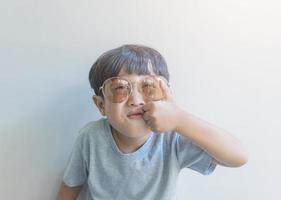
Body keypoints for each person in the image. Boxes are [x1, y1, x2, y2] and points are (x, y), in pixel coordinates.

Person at [57, 44, 248, 200]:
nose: (136, 100)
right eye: (119, 88)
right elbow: (71, 185)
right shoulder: (90, 137)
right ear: (101, 105)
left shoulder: (172, 139)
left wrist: (180, 119)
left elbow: (238, 157)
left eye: (149, 87)